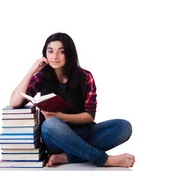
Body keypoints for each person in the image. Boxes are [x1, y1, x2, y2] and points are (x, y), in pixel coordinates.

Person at [9, 32, 134, 168]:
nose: (54, 57)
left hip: (82, 132)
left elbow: (90, 117)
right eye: (50, 51)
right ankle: (104, 160)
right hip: (54, 137)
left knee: (123, 127)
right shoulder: (41, 77)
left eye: (61, 51)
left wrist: (61, 116)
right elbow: (14, 102)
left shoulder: (85, 76)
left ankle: (68, 157)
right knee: (50, 124)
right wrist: (32, 70)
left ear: (69, 54)